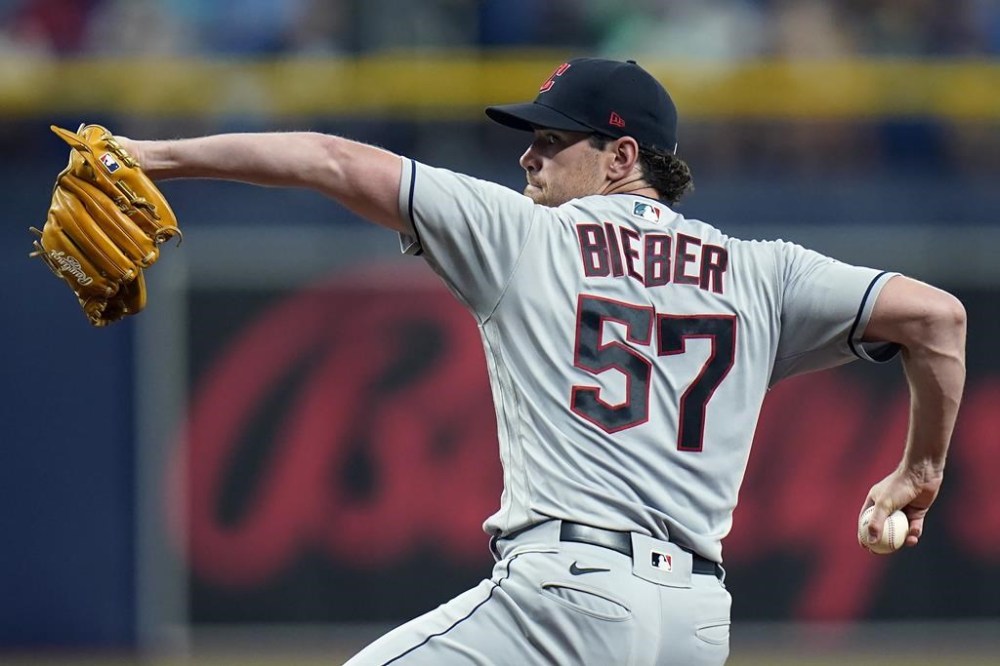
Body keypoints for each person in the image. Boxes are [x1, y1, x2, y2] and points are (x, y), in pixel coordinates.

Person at [117, 57, 966, 665]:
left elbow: (334, 161)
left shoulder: (525, 237)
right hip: (697, 626)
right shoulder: (764, 271)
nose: (528, 155)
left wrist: (152, 157)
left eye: (553, 140)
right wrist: (919, 468)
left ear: (622, 157)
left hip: (567, 595)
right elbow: (937, 319)